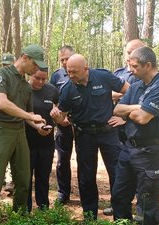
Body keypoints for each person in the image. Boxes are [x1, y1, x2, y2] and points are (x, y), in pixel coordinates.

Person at [50, 54, 129, 219]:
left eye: (74, 72)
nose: (70, 75)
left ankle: (121, 217)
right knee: (86, 176)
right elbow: (62, 118)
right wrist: (57, 117)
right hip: (84, 136)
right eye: (68, 71)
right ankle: (90, 216)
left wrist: (124, 115)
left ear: (86, 69)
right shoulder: (67, 89)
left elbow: (129, 90)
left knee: (117, 173)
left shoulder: (103, 76)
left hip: (109, 132)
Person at [0, 44, 47, 225]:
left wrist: (38, 126)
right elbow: (2, 103)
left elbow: (28, 116)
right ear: (24, 57)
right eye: (35, 64)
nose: (37, 69)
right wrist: (29, 116)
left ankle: (19, 218)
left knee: (24, 181)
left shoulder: (26, 86)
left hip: (19, 133)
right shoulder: (1, 75)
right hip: (0, 133)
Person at [112, 46, 159, 225]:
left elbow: (143, 118)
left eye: (135, 66)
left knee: (146, 203)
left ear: (148, 65)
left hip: (150, 152)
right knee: (119, 196)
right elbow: (117, 110)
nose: (130, 70)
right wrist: (139, 106)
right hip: (128, 149)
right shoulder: (135, 86)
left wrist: (136, 109)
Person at [104, 39, 146, 216]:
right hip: (119, 133)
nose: (130, 57)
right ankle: (119, 206)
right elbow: (111, 95)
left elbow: (147, 106)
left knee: (142, 176)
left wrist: (126, 116)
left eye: (134, 52)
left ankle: (141, 210)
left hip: (140, 133)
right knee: (120, 171)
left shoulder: (151, 77)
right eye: (128, 52)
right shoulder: (120, 72)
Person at [26, 69, 59, 212]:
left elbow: (58, 109)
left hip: (47, 142)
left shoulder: (52, 90)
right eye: (37, 78)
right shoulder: (23, 90)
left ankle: (43, 206)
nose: (40, 82)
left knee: (43, 175)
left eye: (43, 79)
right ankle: (24, 208)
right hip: (26, 141)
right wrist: (37, 126)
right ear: (30, 74)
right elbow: (24, 113)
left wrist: (57, 116)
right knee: (25, 177)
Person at [50, 45, 75, 204]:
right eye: (62, 60)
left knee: (87, 162)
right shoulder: (56, 76)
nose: (65, 62)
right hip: (62, 124)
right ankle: (63, 193)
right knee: (62, 160)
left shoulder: (84, 71)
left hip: (82, 124)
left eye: (67, 58)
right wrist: (60, 117)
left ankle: (88, 196)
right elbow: (50, 100)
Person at [0, 52, 16, 196]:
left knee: (13, 154)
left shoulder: (18, 81)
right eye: (4, 65)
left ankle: (11, 181)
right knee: (1, 154)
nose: (6, 68)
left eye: (9, 65)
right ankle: (2, 179)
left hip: (15, 125)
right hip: (0, 126)